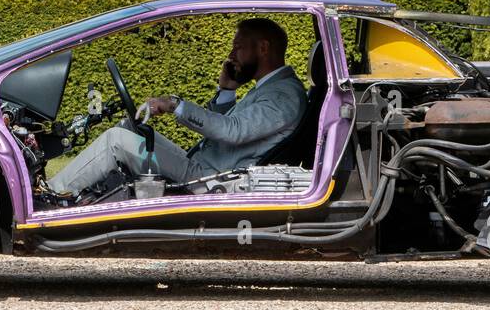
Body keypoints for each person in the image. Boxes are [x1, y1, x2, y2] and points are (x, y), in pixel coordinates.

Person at [48, 18, 307, 198]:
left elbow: (232, 131)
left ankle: (54, 195)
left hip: (212, 179)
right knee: (129, 128)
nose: (231, 55)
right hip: (203, 167)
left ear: (263, 48)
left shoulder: (284, 96)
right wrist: (227, 91)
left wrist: (174, 105)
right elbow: (227, 130)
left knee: (116, 140)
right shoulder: (272, 88)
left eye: (238, 47)